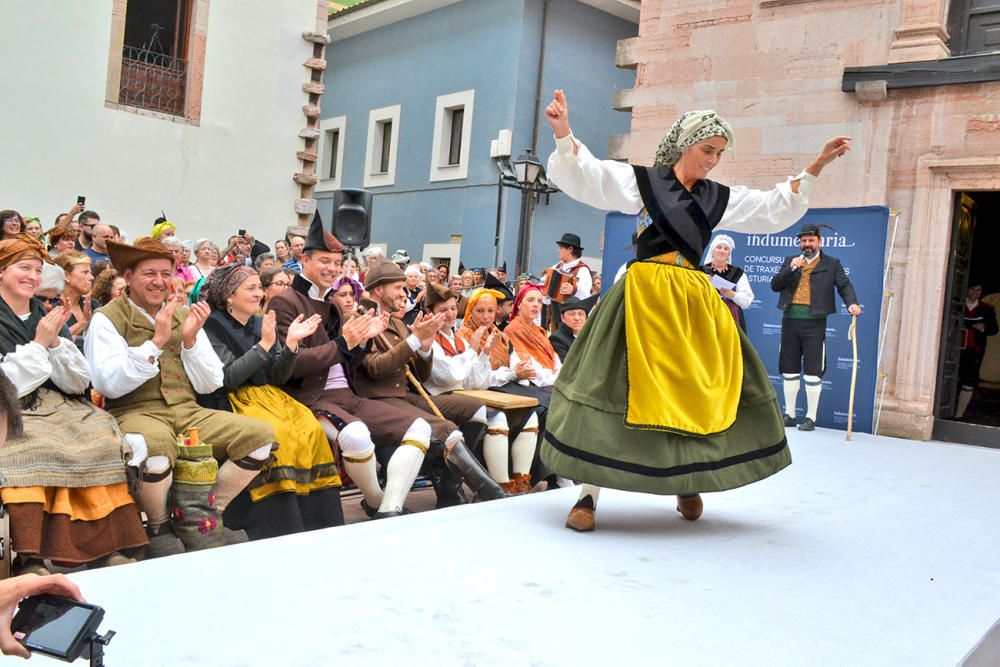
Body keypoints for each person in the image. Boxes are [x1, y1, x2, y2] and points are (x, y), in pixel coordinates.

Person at [541, 88, 851, 531]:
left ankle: (687, 481)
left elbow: (770, 208)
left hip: (690, 303)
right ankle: (588, 495)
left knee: (693, 389)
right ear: (685, 143)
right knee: (611, 386)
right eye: (708, 149)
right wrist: (563, 133)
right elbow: (591, 176)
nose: (713, 160)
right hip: (643, 296)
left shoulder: (717, 197)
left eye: (720, 153)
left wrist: (815, 166)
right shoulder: (644, 181)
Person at [86, 236, 276, 552]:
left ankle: (204, 518)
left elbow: (210, 382)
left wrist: (188, 340)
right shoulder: (107, 318)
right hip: (134, 411)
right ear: (129, 276)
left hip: (187, 409)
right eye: (149, 273)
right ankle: (160, 529)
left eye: (165, 273)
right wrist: (156, 343)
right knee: (156, 447)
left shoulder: (182, 314)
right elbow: (108, 383)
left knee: (259, 436)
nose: (159, 281)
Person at [267, 215, 432, 519]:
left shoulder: (329, 305)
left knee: (421, 428)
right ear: (304, 259)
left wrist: (361, 342)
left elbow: (345, 360)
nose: (332, 269)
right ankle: (378, 501)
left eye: (337, 263)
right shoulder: (285, 302)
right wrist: (344, 343)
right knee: (356, 436)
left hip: (349, 397)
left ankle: (387, 507)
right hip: (310, 400)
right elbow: (290, 365)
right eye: (325, 262)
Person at [0, 234, 147, 572]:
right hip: (12, 409)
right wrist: (39, 344)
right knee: (37, 447)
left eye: (37, 270)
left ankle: (107, 547)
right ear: (1, 272)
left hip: (61, 405)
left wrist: (54, 346)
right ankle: (29, 556)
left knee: (99, 442)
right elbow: (5, 384)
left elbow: (80, 380)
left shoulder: (46, 311)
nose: (32, 277)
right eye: (23, 268)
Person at [199, 264, 344, 537]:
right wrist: (264, 346)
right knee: (281, 437)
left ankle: (317, 522)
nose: (259, 294)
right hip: (235, 398)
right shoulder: (211, 327)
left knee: (310, 430)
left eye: (259, 288)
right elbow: (229, 377)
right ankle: (280, 524)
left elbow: (278, 375)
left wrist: (290, 346)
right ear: (229, 296)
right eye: (251, 288)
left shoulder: (259, 321)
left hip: (271, 394)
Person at [355, 259, 505, 506]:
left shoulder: (395, 321)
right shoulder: (363, 316)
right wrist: (415, 341)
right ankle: (493, 495)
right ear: (379, 290)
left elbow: (420, 374)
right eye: (398, 288)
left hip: (406, 395)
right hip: (378, 398)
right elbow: (375, 368)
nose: (404, 294)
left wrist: (424, 349)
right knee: (446, 428)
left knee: (477, 409)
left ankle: (448, 485)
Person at [422, 284, 539, 493]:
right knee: (496, 416)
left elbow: (477, 382)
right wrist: (475, 348)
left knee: (530, 415)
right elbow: (448, 377)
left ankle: (520, 481)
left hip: (465, 394)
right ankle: (499, 486)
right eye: (442, 310)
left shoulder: (457, 337)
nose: (449, 315)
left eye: (451, 308)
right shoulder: (430, 339)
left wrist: (484, 353)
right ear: (430, 313)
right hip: (440, 397)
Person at [771, 223, 861, 431]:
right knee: (789, 369)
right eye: (804, 241)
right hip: (790, 320)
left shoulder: (831, 263)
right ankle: (790, 414)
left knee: (813, 370)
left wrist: (852, 303)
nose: (807, 244)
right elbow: (775, 285)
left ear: (819, 242)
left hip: (815, 324)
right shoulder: (790, 261)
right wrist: (791, 267)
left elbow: (844, 285)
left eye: (811, 240)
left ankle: (811, 417)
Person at [956, 282, 999, 418]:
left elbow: (994, 329)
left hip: (974, 351)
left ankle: (958, 416)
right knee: (950, 380)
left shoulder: (987, 309)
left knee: (969, 381)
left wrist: (983, 328)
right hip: (953, 350)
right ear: (967, 290)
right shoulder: (957, 305)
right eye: (973, 289)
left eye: (979, 290)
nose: (976, 293)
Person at [504, 284, 561, 387]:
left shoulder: (540, 331)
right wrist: (558, 379)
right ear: (519, 304)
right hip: (535, 385)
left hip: (551, 380)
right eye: (530, 300)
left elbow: (554, 358)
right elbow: (528, 368)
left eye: (539, 301)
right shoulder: (513, 330)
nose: (536, 304)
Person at [700, 234, 754, 330]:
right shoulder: (701, 272)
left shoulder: (737, 273)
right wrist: (702, 284)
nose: (722, 251)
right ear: (713, 251)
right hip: (706, 312)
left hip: (730, 314)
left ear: (729, 254)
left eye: (726, 249)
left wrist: (732, 295)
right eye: (719, 247)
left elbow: (747, 300)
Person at [53, 251, 99, 349]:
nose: (91, 277)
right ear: (66, 275)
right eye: (85, 272)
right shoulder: (51, 306)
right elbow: (51, 341)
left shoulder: (93, 305)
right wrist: (83, 322)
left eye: (90, 273)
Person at [549, 295, 597, 362]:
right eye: (572, 314)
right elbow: (567, 366)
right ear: (562, 317)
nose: (577, 318)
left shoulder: (592, 336)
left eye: (581, 314)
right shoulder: (557, 339)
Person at [551, 232, 592, 300]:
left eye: (561, 248)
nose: (558, 250)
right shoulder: (557, 267)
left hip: (570, 309)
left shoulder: (583, 270)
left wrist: (574, 289)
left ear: (570, 249)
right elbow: (543, 282)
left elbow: (586, 296)